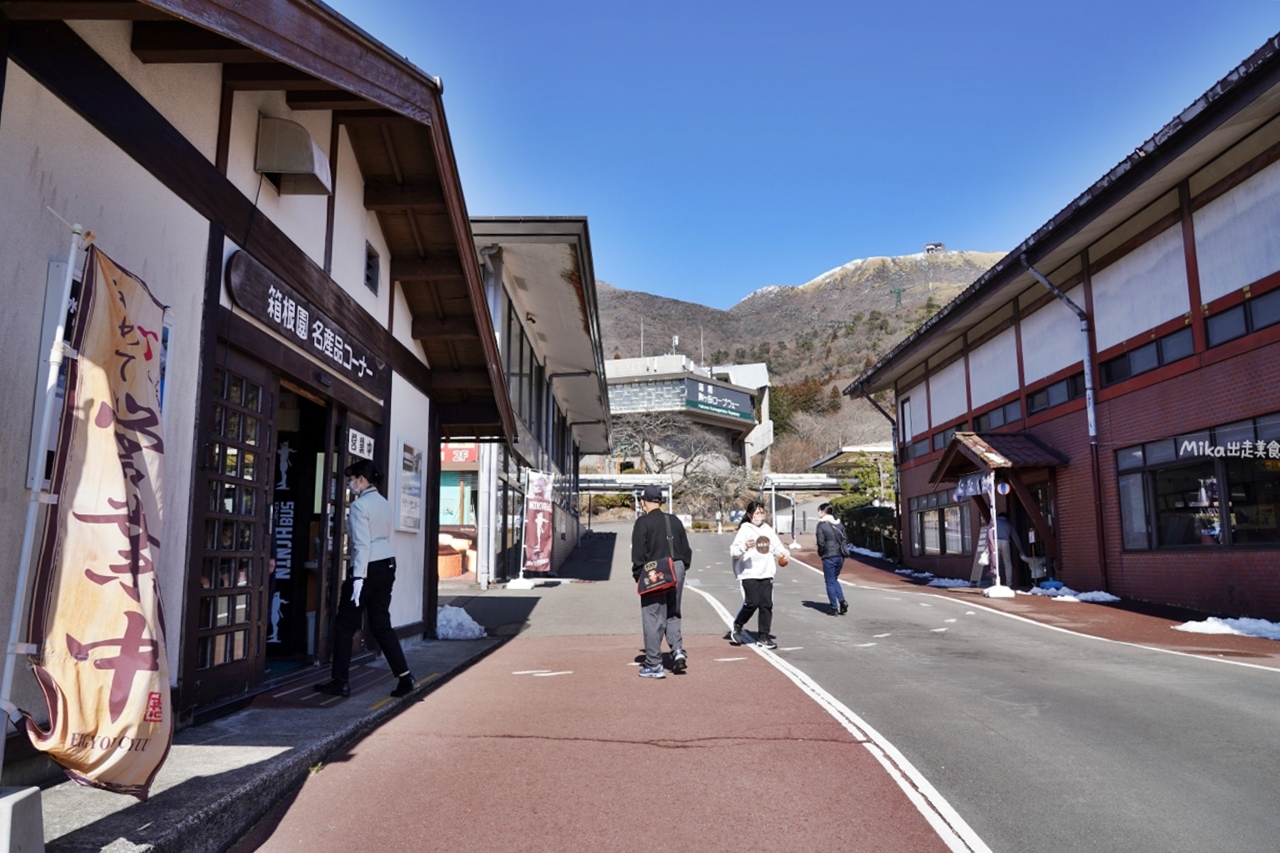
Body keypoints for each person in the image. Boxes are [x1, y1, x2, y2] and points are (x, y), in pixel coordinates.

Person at [315, 460, 415, 698]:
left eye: (352, 480)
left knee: (344, 624)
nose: (350, 484)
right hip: (387, 564)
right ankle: (405, 677)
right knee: (381, 624)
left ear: (361, 479)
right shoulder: (384, 503)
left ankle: (340, 681)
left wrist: (357, 578)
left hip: (367, 568)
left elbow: (361, 544)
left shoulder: (360, 506)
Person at [631, 484, 693, 679]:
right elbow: (686, 549)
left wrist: (638, 575)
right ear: (660, 501)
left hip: (655, 571)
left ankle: (653, 663)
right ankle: (677, 651)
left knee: (652, 614)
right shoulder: (674, 520)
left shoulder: (643, 523)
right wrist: (681, 567)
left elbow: (639, 554)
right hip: (678, 567)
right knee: (673, 612)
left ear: (643, 503)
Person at [729, 500, 789, 650]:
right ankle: (738, 624)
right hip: (748, 573)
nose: (759, 516)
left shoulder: (768, 530)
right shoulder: (745, 530)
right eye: (756, 513)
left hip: (766, 572)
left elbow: (778, 547)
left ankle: (763, 636)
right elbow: (734, 552)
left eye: (762, 513)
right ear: (749, 515)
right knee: (752, 602)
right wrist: (744, 546)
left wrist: (784, 555)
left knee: (767, 605)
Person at [815, 503, 849, 616]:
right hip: (840, 555)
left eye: (819, 511)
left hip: (829, 556)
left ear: (823, 512)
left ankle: (834, 607)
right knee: (834, 579)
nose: (818, 513)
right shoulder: (839, 524)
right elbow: (845, 539)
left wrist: (821, 552)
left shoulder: (821, 525)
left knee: (829, 581)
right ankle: (842, 601)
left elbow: (821, 542)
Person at [994, 512, 1024, 588]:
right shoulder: (1008, 523)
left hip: (995, 541)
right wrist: (1021, 550)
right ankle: (1009, 584)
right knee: (1008, 564)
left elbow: (989, 533)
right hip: (1005, 542)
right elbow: (1016, 538)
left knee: (995, 564)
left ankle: (995, 582)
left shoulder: (994, 522)